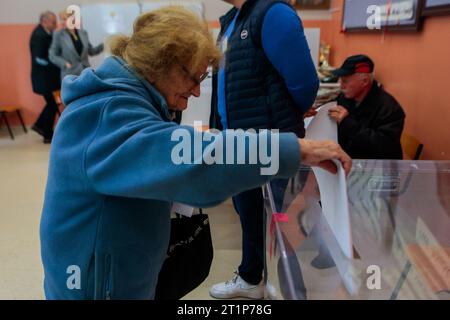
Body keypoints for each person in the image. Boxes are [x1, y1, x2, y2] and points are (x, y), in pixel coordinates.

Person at [40, 7, 351, 300]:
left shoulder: (125, 100)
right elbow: (190, 158)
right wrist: (294, 150)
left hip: (111, 274)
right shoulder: (107, 112)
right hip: (96, 285)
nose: (198, 90)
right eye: (195, 77)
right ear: (162, 62)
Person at [209, 0, 319, 299]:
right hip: (239, 144)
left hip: (270, 144)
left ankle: (292, 292)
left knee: (278, 228)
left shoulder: (273, 13)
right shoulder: (234, 18)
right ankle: (250, 278)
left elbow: (305, 84)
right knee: (249, 214)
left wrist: (280, 119)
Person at [329, 54, 406, 159]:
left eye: (345, 81)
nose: (341, 85)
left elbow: (383, 147)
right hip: (349, 162)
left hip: (377, 169)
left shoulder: (389, 108)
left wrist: (347, 122)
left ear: (364, 81)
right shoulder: (345, 98)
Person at [29, 11, 61, 144]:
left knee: (52, 104)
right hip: (43, 78)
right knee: (52, 104)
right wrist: (54, 63)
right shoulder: (39, 35)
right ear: (44, 21)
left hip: (48, 78)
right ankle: (47, 134)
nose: (56, 25)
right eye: (53, 22)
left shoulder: (47, 33)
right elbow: (38, 59)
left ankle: (39, 126)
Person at [48, 9, 104, 80]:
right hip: (70, 75)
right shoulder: (58, 35)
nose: (62, 22)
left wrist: (105, 44)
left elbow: (91, 51)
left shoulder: (83, 33)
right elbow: (52, 55)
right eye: (61, 20)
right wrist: (65, 64)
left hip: (86, 72)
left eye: (64, 19)